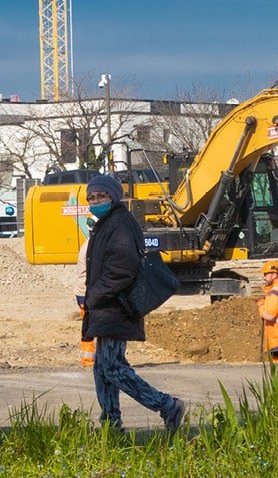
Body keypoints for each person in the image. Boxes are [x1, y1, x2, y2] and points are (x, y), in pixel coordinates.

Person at [81, 174, 186, 433]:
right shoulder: (108, 223)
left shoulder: (119, 224)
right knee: (103, 368)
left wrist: (94, 296)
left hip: (117, 307)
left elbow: (121, 270)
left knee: (113, 368)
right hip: (107, 308)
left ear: (113, 197)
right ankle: (111, 424)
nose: (96, 202)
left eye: (101, 196)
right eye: (91, 198)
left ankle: (166, 405)